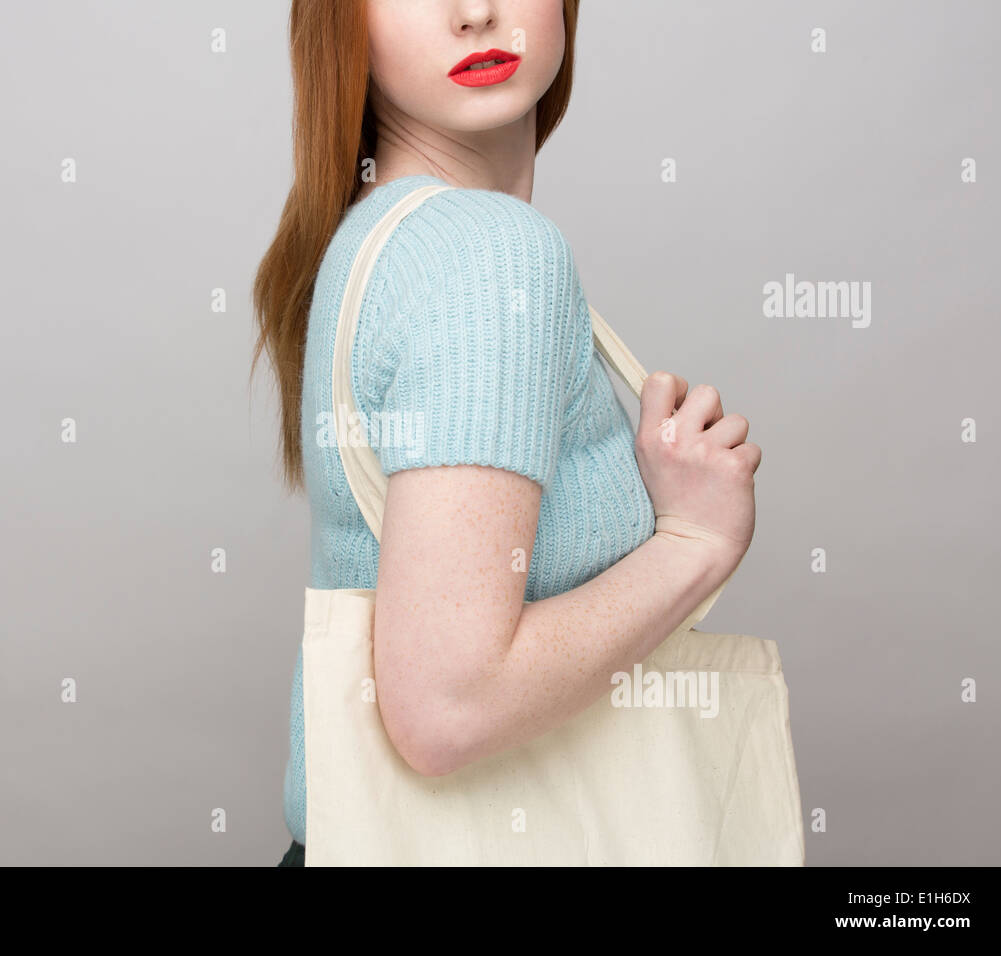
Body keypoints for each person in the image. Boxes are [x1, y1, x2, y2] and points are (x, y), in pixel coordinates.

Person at [253, 0, 760, 867]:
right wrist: (697, 542)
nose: (476, 13)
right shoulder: (489, 256)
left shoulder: (377, 237)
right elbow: (448, 707)